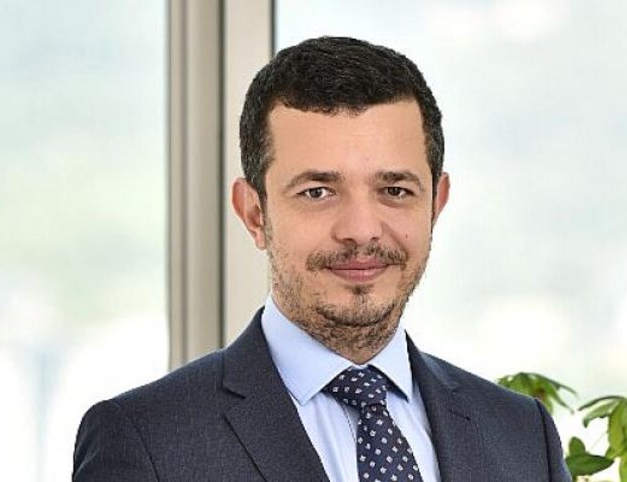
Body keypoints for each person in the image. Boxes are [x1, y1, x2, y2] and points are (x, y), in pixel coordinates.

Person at [73, 36, 571, 482]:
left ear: (435, 205)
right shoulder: (147, 440)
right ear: (254, 214)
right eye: (318, 192)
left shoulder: (523, 436)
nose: (361, 230)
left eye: (395, 190)